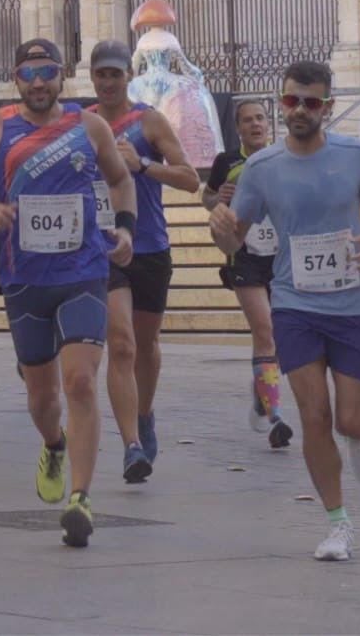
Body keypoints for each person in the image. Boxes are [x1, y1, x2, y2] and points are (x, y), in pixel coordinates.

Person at [209, 60, 360, 562]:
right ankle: (337, 524)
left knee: (351, 421)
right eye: (290, 101)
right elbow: (236, 235)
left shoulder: (354, 155)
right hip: (293, 303)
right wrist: (220, 227)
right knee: (313, 415)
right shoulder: (262, 166)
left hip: (352, 305)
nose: (298, 111)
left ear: (327, 108)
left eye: (310, 103)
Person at [0, 38, 137, 549]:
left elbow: (122, 181)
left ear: (61, 77)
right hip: (24, 276)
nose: (38, 82)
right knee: (42, 396)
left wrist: (124, 228)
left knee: (79, 382)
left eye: (48, 71)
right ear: (16, 78)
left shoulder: (88, 126)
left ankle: (80, 498)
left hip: (84, 271)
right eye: (29, 72)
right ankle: (53, 443)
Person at [85, 39, 200, 483]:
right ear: (92, 78)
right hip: (105, 248)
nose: (109, 81)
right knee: (122, 344)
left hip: (150, 246)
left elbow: (190, 180)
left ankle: (145, 414)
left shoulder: (148, 121)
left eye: (116, 74)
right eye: (102, 74)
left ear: (127, 77)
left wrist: (143, 165)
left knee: (146, 347)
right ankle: (132, 444)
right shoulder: (85, 125)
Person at [203, 99, 293, 450]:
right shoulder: (227, 162)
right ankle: (276, 417)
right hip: (244, 255)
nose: (255, 125)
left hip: (283, 256)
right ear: (238, 128)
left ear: (269, 124)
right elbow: (208, 199)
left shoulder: (285, 158)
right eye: (247, 121)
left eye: (260, 119)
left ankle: (262, 391)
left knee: (281, 334)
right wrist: (218, 197)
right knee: (265, 329)